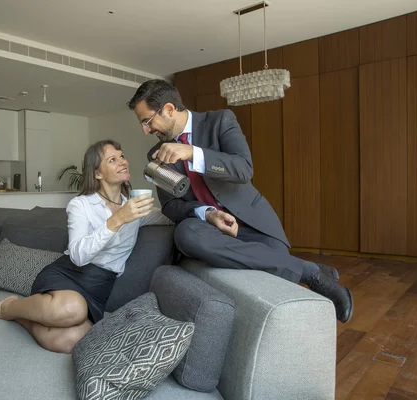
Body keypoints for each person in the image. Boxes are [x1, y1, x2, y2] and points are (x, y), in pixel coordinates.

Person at [127, 79, 353, 324]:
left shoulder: (220, 121)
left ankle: (299, 269)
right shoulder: (156, 155)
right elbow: (171, 206)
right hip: (208, 232)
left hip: (251, 224)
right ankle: (312, 273)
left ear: (169, 109)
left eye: (147, 121)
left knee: (277, 271)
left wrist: (193, 152)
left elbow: (243, 168)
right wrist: (207, 214)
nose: (145, 131)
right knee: (186, 234)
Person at [0, 139, 172, 353]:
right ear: (97, 173)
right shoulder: (81, 205)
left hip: (99, 284)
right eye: (112, 159)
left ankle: (22, 318)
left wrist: (206, 213)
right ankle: (7, 308)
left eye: (122, 156)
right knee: (72, 308)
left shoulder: (134, 207)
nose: (123, 162)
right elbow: (79, 256)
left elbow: (170, 218)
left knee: (71, 341)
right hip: (71, 273)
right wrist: (117, 220)